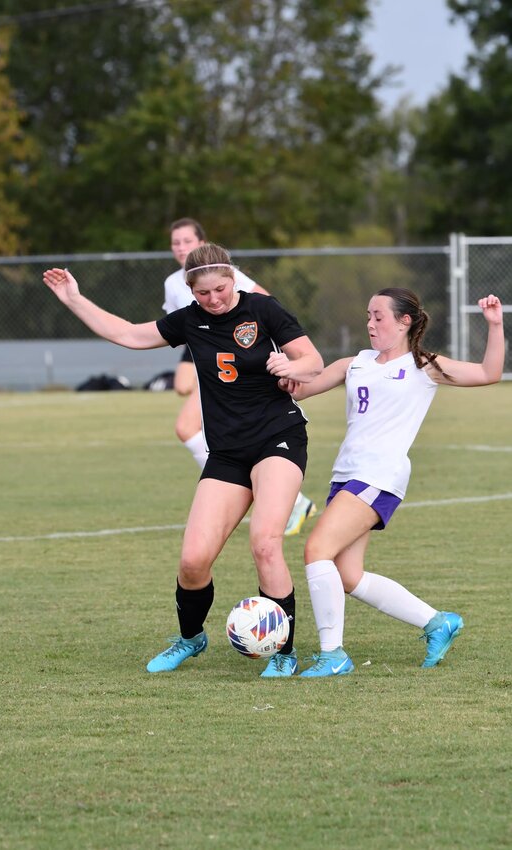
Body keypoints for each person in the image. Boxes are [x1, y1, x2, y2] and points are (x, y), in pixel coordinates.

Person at [43, 243, 323, 677]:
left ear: (233, 280)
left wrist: (290, 367)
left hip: (278, 437)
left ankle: (284, 651)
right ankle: (191, 638)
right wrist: (74, 299)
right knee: (193, 561)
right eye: (204, 293)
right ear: (190, 291)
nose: (214, 299)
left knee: (265, 543)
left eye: (221, 289)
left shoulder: (263, 310)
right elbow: (128, 334)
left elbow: (314, 361)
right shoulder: (190, 321)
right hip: (228, 452)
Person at [278, 288, 504, 677]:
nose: (370, 323)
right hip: (347, 475)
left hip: (378, 475)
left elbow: (489, 374)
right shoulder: (356, 363)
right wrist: (283, 370)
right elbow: (303, 389)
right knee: (348, 575)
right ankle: (437, 621)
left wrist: (495, 325)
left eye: (379, 316)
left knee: (316, 549)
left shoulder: (423, 365)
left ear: (405, 321)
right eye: (368, 315)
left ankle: (333, 656)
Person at [163, 217, 317, 535]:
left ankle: (290, 499)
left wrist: (285, 359)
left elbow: (262, 302)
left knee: (185, 425)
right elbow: (176, 325)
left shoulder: (220, 271)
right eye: (176, 243)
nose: (181, 248)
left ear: (202, 244)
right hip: (205, 347)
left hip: (236, 360)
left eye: (187, 241)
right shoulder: (172, 283)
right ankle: (248, 486)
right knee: (182, 390)